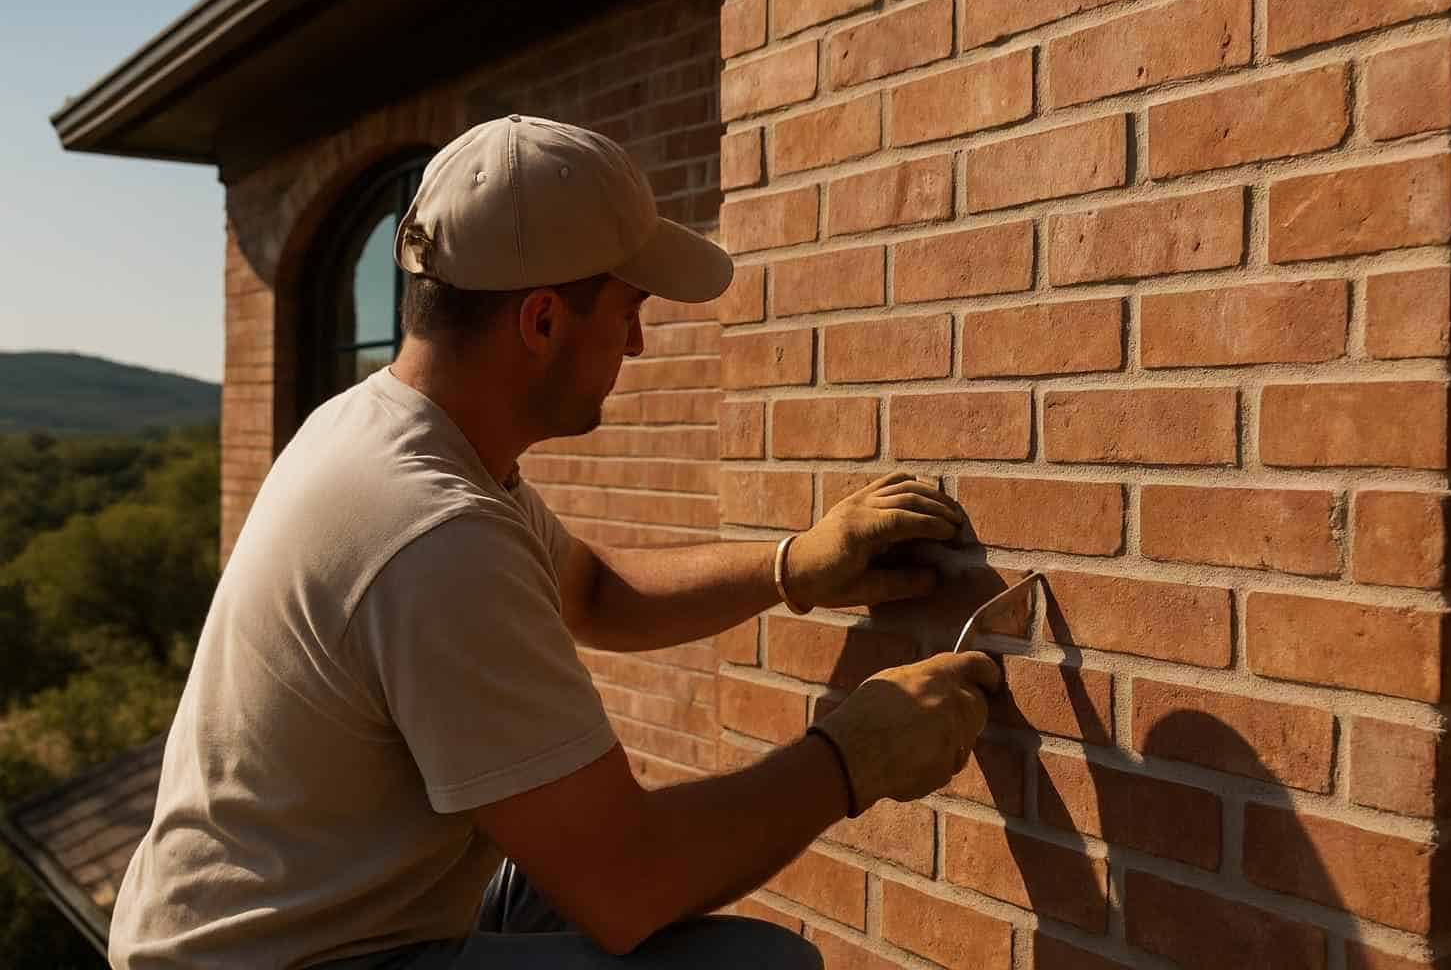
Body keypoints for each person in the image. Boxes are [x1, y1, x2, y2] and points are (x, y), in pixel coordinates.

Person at [108, 116, 1001, 970]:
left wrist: (794, 565)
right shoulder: (432, 532)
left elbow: (595, 594)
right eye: (629, 311)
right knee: (753, 964)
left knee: (579, 849)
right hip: (293, 962)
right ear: (541, 323)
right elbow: (629, 884)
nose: (638, 344)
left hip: (309, 927)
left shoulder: (387, 430)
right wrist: (855, 756)